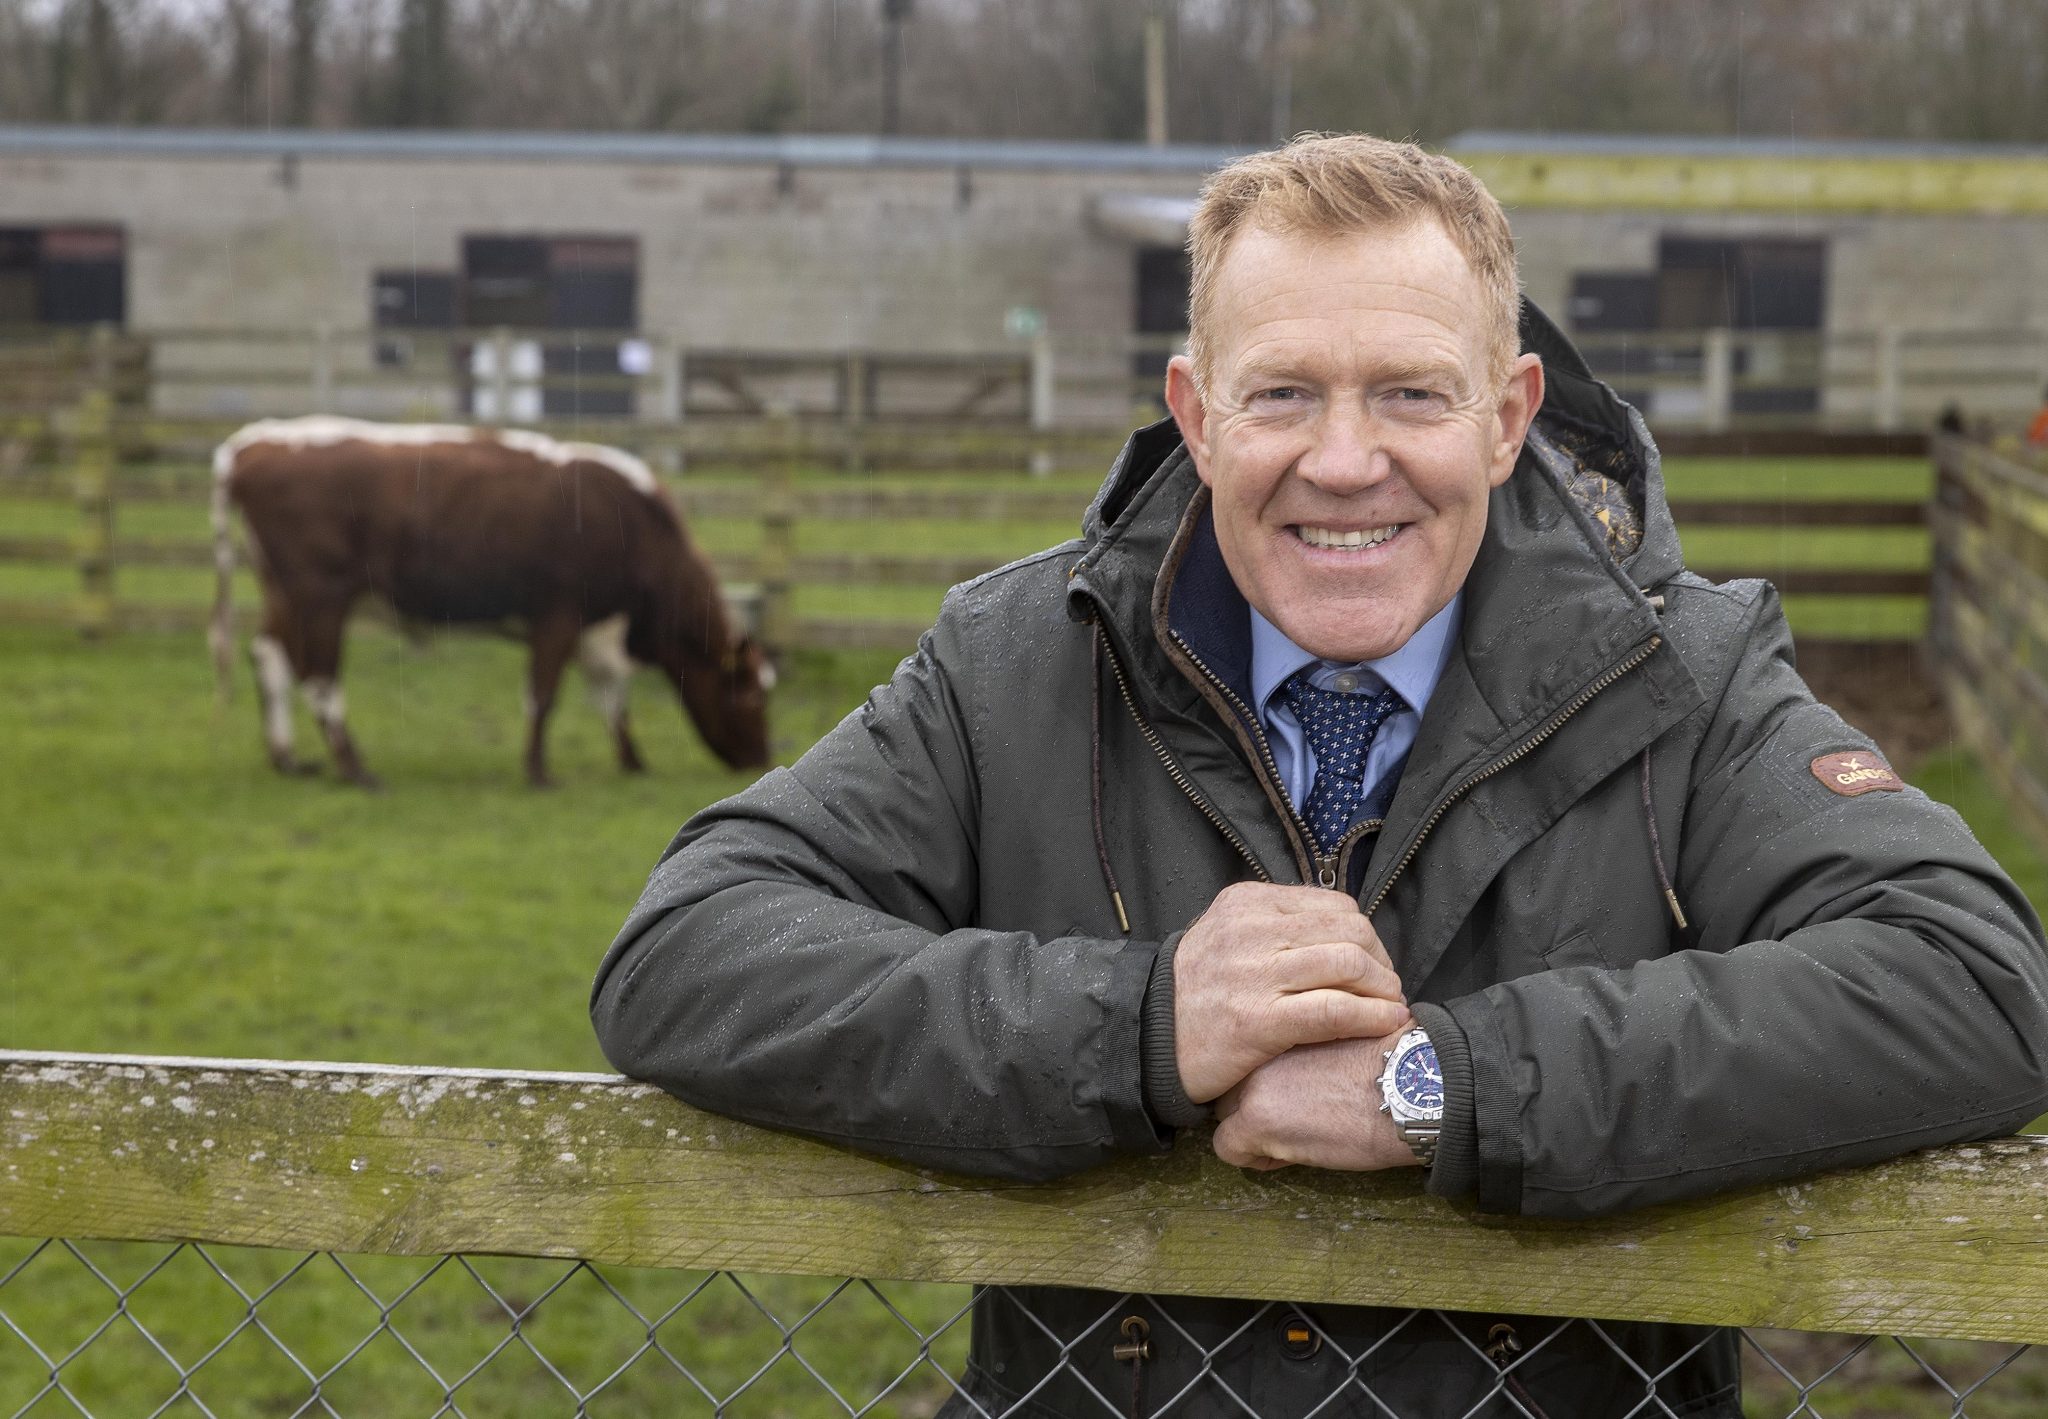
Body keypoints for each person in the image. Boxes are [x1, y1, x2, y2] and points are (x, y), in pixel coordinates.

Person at [592, 135, 2048, 1418]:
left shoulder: (1684, 677)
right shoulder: (1021, 664)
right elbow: (692, 948)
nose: (1345, 463)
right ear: (1199, 409)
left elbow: (1968, 979)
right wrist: (1138, 1026)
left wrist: (1450, 1085)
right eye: (1283, 393)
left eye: (1411, 393)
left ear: (1508, 412)